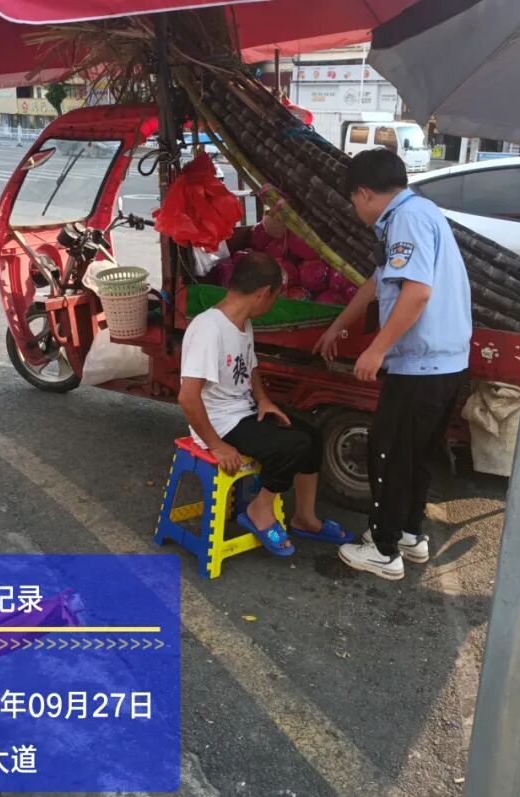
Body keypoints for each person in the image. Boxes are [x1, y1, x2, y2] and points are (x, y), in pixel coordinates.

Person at [314, 148, 472, 580]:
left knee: (386, 453)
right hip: (445, 364)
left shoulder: (405, 219)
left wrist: (377, 349)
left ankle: (383, 550)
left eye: (353, 200)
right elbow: (377, 281)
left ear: (364, 193)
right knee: (416, 455)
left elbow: (416, 293)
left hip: (420, 366)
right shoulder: (420, 212)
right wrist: (339, 326)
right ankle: (408, 535)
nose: (356, 209)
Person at [179, 251, 353, 557]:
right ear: (263, 293)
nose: (274, 303)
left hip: (243, 412)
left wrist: (263, 400)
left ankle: (305, 518)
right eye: (275, 296)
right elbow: (188, 397)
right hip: (218, 424)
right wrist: (216, 445)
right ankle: (260, 509)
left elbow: (251, 366)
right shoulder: (209, 329)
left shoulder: (242, 322)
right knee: (292, 446)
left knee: (312, 434)